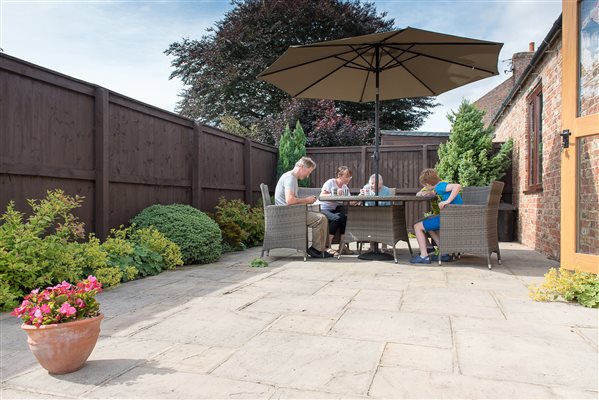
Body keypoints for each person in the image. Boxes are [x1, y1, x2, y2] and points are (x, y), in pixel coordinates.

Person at [275, 157, 333, 259]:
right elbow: (290, 200)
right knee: (321, 218)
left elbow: (291, 200)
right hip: (288, 215)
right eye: (308, 172)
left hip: (287, 213)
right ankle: (317, 250)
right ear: (301, 167)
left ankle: (317, 249)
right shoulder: (290, 178)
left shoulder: (290, 177)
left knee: (321, 216)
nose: (307, 175)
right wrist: (307, 200)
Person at [410, 168, 462, 264]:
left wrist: (447, 201)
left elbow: (457, 186)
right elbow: (435, 192)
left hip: (449, 218)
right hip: (453, 217)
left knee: (417, 226)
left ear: (428, 184)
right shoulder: (439, 187)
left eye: (424, 186)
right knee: (429, 225)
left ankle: (424, 256)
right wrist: (427, 193)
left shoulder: (440, 187)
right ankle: (444, 252)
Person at [317, 166, 353, 256]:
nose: (349, 178)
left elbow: (349, 200)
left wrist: (359, 199)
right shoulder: (330, 182)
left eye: (350, 177)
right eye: (347, 176)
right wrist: (334, 193)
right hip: (321, 208)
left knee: (344, 218)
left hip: (333, 209)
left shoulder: (345, 187)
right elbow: (321, 196)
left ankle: (342, 247)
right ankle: (327, 246)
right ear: (340, 176)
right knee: (336, 218)